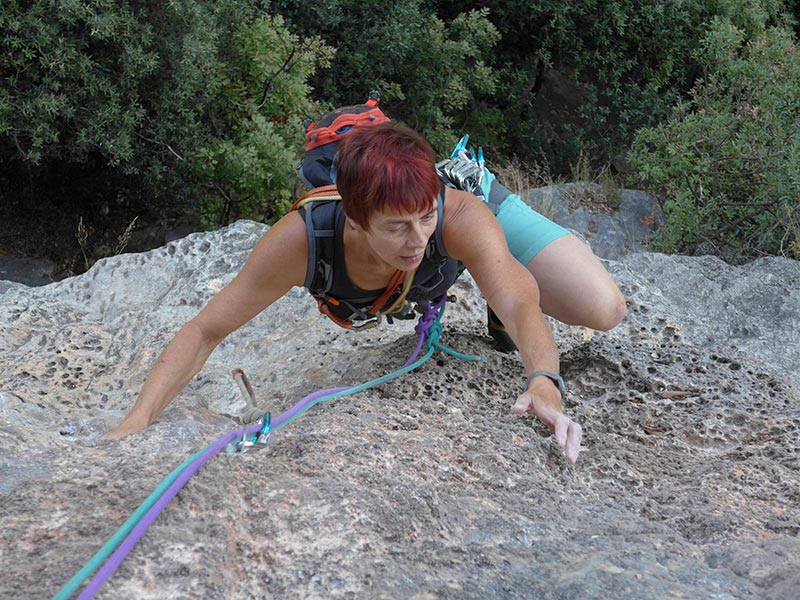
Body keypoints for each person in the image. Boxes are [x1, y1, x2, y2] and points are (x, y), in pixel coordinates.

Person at [106, 123, 626, 464]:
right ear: (355, 219)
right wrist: (137, 420)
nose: (419, 239)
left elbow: (519, 300)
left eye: (424, 221)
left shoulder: (457, 214)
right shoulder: (302, 241)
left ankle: (484, 265)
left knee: (604, 309)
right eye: (398, 227)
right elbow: (205, 331)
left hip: (477, 203)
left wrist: (544, 382)